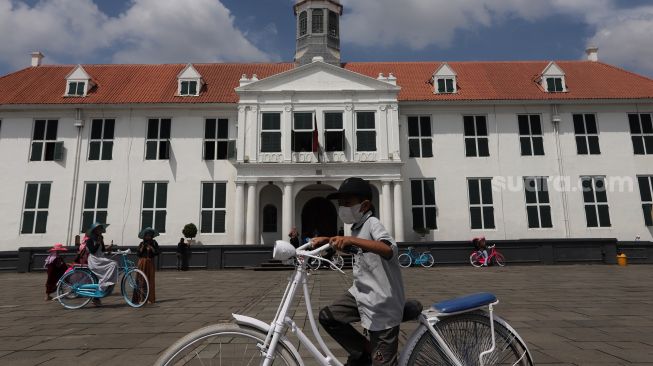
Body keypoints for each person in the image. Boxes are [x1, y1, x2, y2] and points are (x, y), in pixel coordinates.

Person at [312, 177, 405, 366]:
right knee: (329, 317)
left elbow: (388, 249)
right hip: (361, 294)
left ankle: (375, 353)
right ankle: (366, 349)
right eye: (340, 203)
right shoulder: (356, 228)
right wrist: (328, 240)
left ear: (364, 205)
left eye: (347, 202)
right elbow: (354, 247)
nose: (342, 207)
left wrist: (352, 241)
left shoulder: (372, 223)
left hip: (381, 302)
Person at [85, 222, 117, 306]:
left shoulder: (100, 238)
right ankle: (104, 284)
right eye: (99, 229)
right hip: (94, 260)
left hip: (100, 258)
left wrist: (109, 248)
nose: (100, 231)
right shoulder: (89, 240)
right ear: (95, 230)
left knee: (113, 264)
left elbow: (102, 249)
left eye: (100, 229)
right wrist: (98, 242)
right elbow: (93, 251)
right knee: (113, 264)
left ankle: (104, 285)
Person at [136, 227, 160, 304]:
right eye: (147, 235)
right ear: (145, 236)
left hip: (150, 262)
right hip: (142, 262)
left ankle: (150, 298)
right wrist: (143, 247)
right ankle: (141, 298)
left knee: (150, 280)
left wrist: (152, 248)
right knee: (141, 280)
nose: (148, 237)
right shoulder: (141, 243)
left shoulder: (154, 243)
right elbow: (138, 254)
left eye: (150, 235)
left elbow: (157, 252)